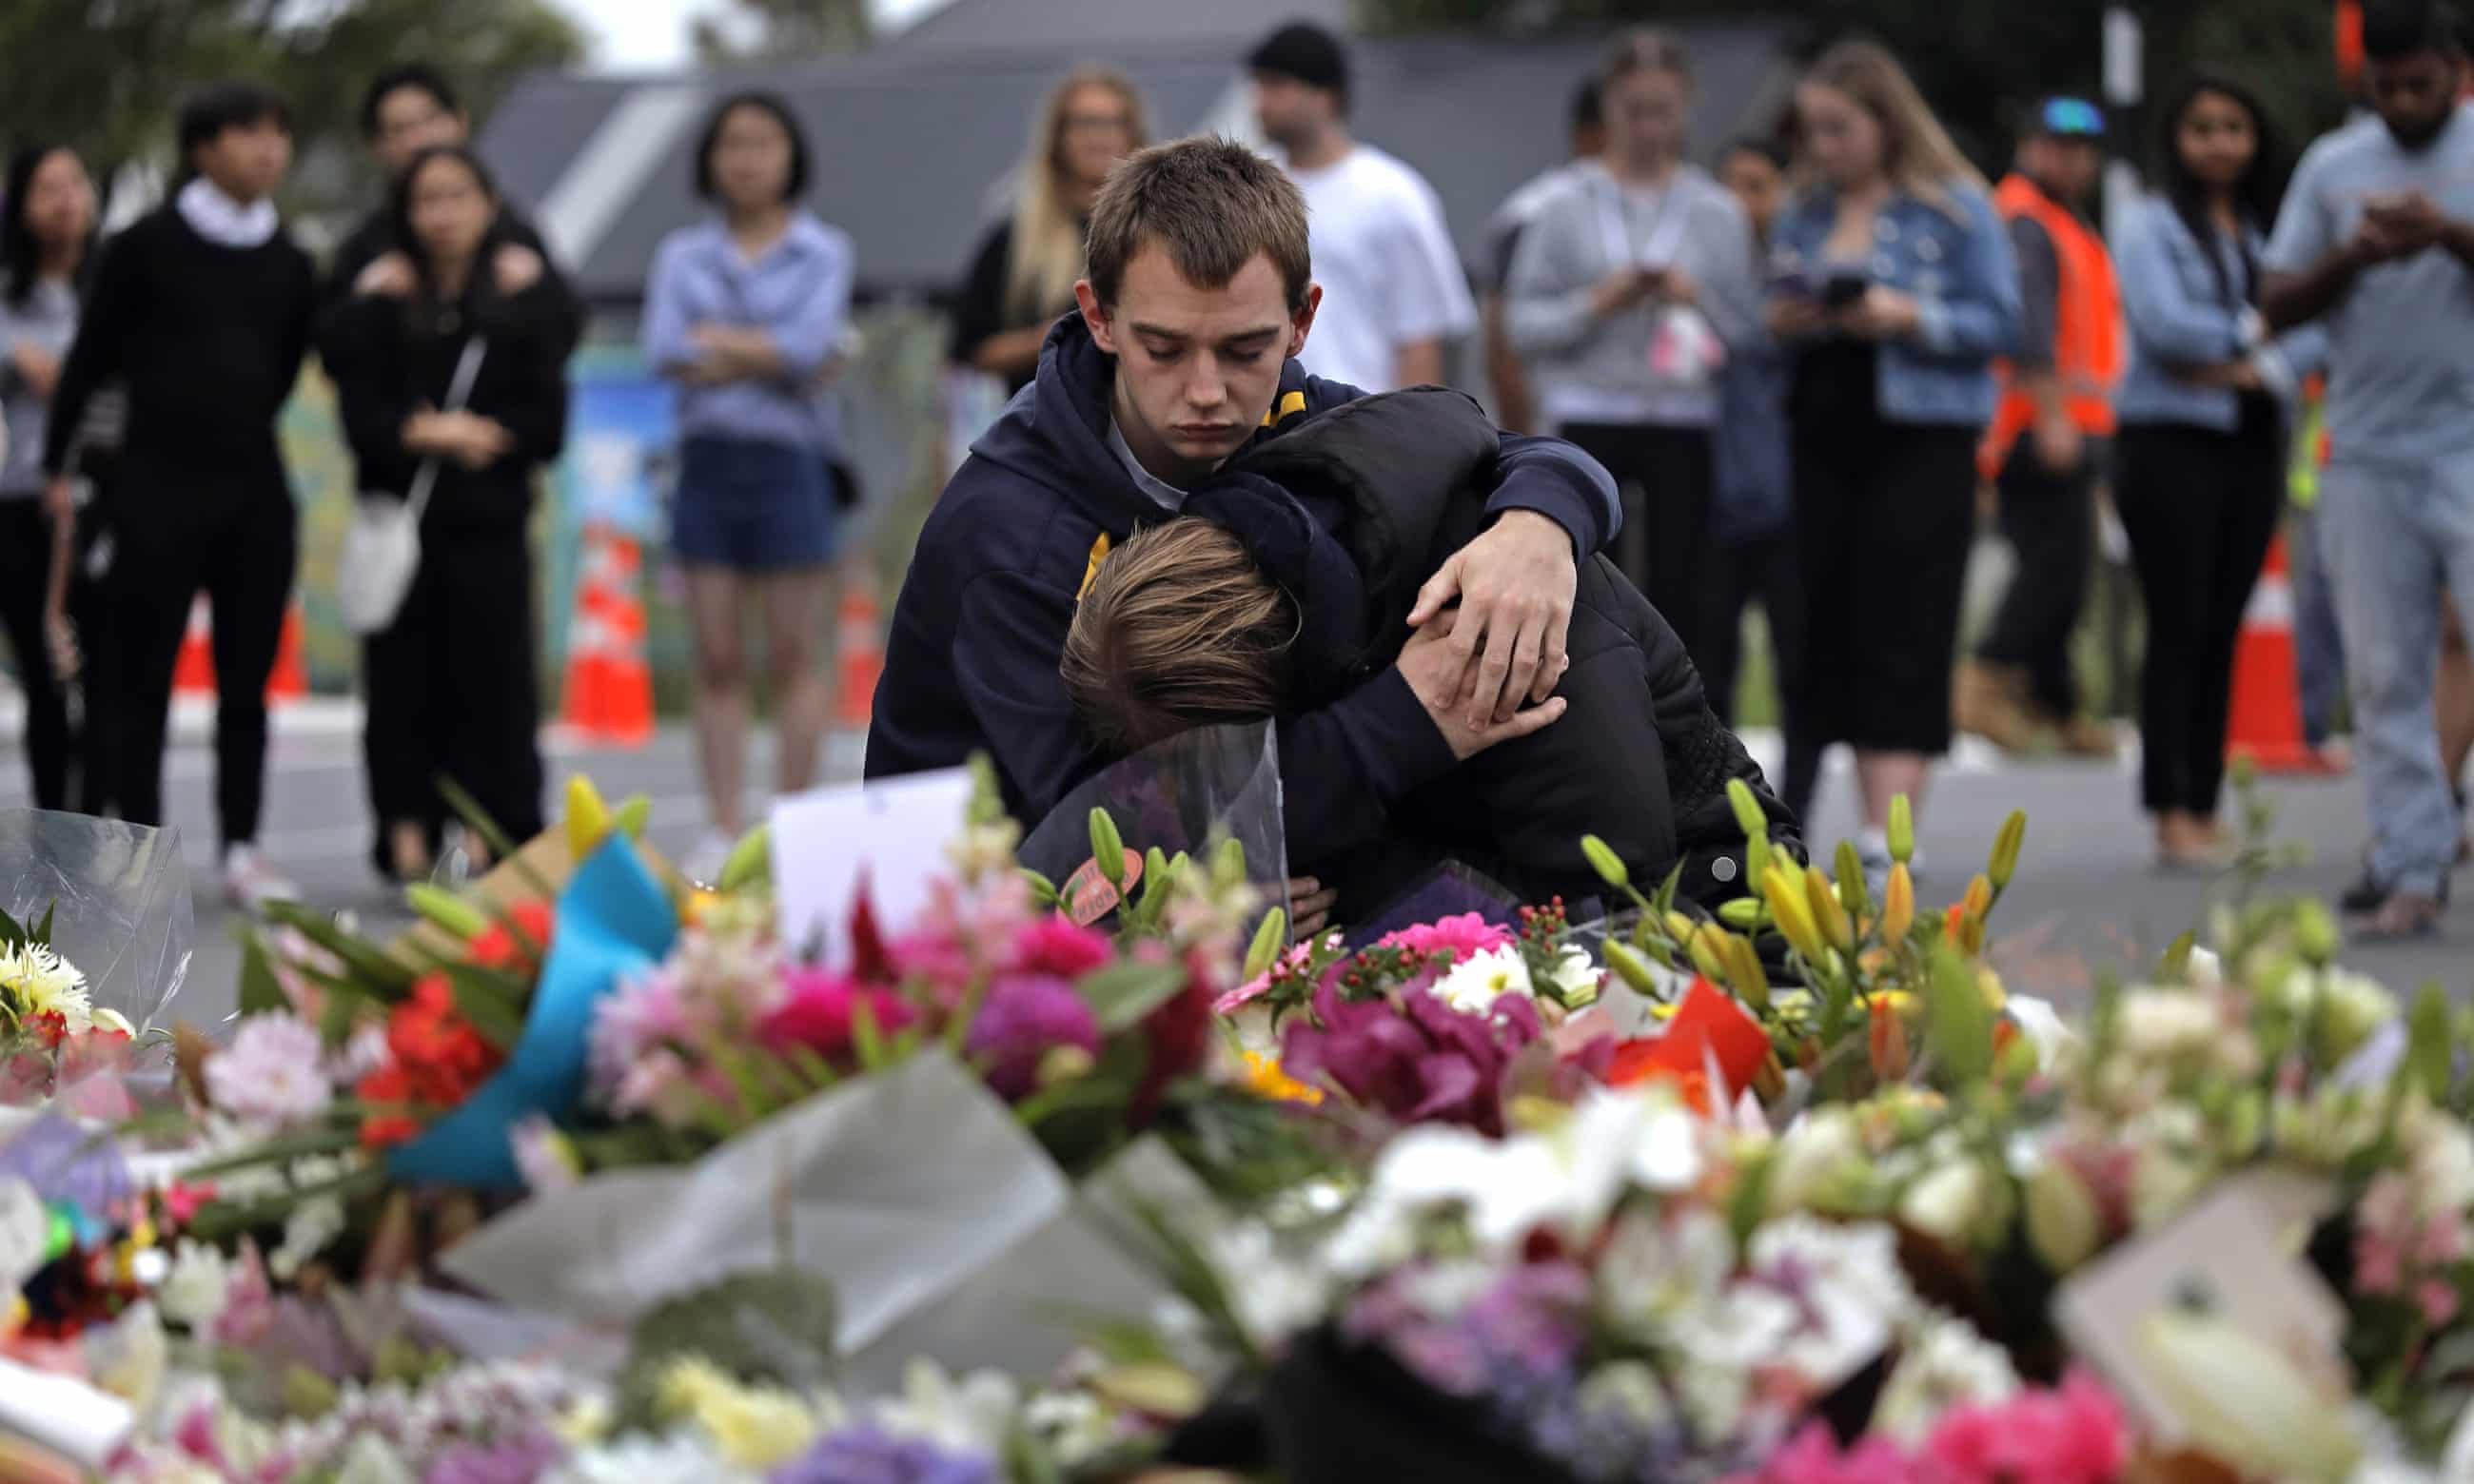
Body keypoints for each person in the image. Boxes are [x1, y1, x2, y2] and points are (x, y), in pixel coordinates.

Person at [864, 137, 1619, 934]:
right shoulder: (1010, 534)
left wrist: (1539, 529)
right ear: (1098, 317)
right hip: (978, 920)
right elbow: (1102, 850)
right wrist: (1409, 720)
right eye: (1164, 349)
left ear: (1301, 322)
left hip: (1240, 857)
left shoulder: (1304, 415)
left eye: (1244, 349)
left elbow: (1498, 453)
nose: (1207, 392)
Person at [1059, 386, 1795, 916]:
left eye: (1238, 759)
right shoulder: (1294, 552)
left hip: (1717, 916)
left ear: (1275, 694)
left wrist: (1348, 883)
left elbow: (1606, 913)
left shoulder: (1502, 629)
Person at [44, 82, 316, 908]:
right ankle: (142, 848)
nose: (268, 148)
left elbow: (283, 370)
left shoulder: (293, 260)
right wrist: (60, 468)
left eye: (278, 132)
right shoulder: (143, 245)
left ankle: (242, 845)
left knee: (247, 676)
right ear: (203, 148)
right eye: (248, 132)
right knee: (139, 674)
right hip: (154, 483)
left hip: (254, 487)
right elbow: (89, 360)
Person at [1765, 41, 2022, 881]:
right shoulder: (1802, 209)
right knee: (1822, 623)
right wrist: (1796, 317)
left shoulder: (1954, 208)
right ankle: (1810, 815)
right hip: (1821, 430)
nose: (1825, 147)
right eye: (1815, 132)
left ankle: (1885, 837)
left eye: (1840, 129)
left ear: (1886, 121)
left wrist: (1908, 315)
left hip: (1921, 437)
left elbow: (2005, 323)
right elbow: (1764, 311)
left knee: (1907, 625)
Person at [2263, 0, 2474, 936]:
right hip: (2361, 455)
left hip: (2466, 444)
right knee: (2385, 675)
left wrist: (2447, 236)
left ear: (2452, 67)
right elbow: (2272, 302)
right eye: (2382, 89)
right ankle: (2410, 867)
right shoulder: (2332, 166)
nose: (2400, 103)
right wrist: (2352, 255)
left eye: (2417, 85)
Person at [322, 146, 581, 881]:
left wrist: (456, 431)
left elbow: (547, 424)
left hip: (490, 531)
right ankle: (404, 837)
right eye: (426, 199)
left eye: (458, 196)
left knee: (496, 692)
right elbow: (358, 412)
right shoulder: (380, 299)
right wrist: (438, 431)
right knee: (401, 689)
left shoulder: (521, 301)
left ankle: (490, 838)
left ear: (489, 205)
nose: (442, 214)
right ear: (404, 213)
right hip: (401, 530)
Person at [2111, 71, 2326, 870]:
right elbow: (2167, 327)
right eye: (2204, 127)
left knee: (2223, 626)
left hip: (2250, 437)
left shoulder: (2268, 228)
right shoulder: (2148, 221)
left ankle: (2204, 800)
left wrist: (2252, 364)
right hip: (2170, 441)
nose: (2221, 143)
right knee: (2180, 622)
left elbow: (2316, 328)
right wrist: (2257, 338)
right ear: (2178, 137)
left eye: (2235, 127)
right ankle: (2169, 804)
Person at [643, 92, 857, 881]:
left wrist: (723, 347)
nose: (747, 159)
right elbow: (664, 346)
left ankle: (792, 817)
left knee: (795, 652)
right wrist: (769, 353)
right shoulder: (680, 253)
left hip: (791, 460)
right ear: (709, 159)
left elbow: (809, 350)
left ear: (791, 156)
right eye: (732, 144)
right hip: (706, 459)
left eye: (764, 142)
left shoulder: (823, 249)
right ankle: (724, 822)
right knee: (719, 653)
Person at [1504, 29, 1762, 677]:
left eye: (1662, 110)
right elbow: (1522, 324)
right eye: (1634, 109)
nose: (1648, 127)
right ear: (1609, 108)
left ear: (1686, 109)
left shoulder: (1716, 210)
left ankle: (1692, 736)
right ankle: (1596, 717)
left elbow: (1751, 334)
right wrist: (1597, 302)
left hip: (1685, 416)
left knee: (1688, 591)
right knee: (1590, 587)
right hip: (1588, 410)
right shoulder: (1561, 204)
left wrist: (1693, 297)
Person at [1954, 97, 2124, 757]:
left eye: (2082, 149)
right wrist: (2053, 416)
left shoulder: (2060, 220)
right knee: (2052, 569)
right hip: (2034, 426)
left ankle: (2053, 702)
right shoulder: (2026, 221)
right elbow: (2031, 332)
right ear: (2029, 146)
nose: (2071, 159)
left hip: (2067, 424)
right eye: (2056, 145)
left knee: (2067, 567)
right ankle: (1984, 680)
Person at [1247, 21, 1478, 393]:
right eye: (1258, 85)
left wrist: (1410, 436)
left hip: (1361, 422)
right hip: (1269, 420)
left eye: (1276, 85)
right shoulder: (1251, 185)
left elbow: (1420, 335)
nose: (1260, 102)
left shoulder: (1391, 193)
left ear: (1326, 94)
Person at [1708, 133, 1820, 822]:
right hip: (1716, 503)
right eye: (1731, 185)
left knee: (1800, 671)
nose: (1743, 203)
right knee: (1708, 670)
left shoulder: (1804, 276)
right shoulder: (1705, 282)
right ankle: (1720, 818)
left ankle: (1796, 817)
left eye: (1759, 185)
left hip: (1792, 506)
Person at [0, 146, 101, 811]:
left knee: (108, 672)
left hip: (104, 500)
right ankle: (51, 827)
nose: (64, 199)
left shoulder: (115, 284)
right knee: (43, 672)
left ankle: (100, 821)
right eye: (46, 188)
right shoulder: (9, 296)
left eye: (74, 183)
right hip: (21, 496)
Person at [951, 66, 1149, 397]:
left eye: (1114, 122)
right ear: (1058, 137)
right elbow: (971, 350)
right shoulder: (1015, 238)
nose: (1099, 136)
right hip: (1043, 424)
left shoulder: (1158, 232)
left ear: (1134, 133)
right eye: (1085, 123)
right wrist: (1053, 337)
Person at [324, 63, 556, 321]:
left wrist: (538, 288)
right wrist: (366, 296)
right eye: (400, 129)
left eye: (428, 119)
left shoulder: (514, 233)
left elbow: (563, 327)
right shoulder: (364, 248)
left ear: (459, 122)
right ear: (378, 146)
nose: (419, 139)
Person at [1482, 79, 1604, 436]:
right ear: (1587, 134)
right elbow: (1501, 340)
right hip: (1556, 428)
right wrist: (1523, 444)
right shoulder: (1533, 213)